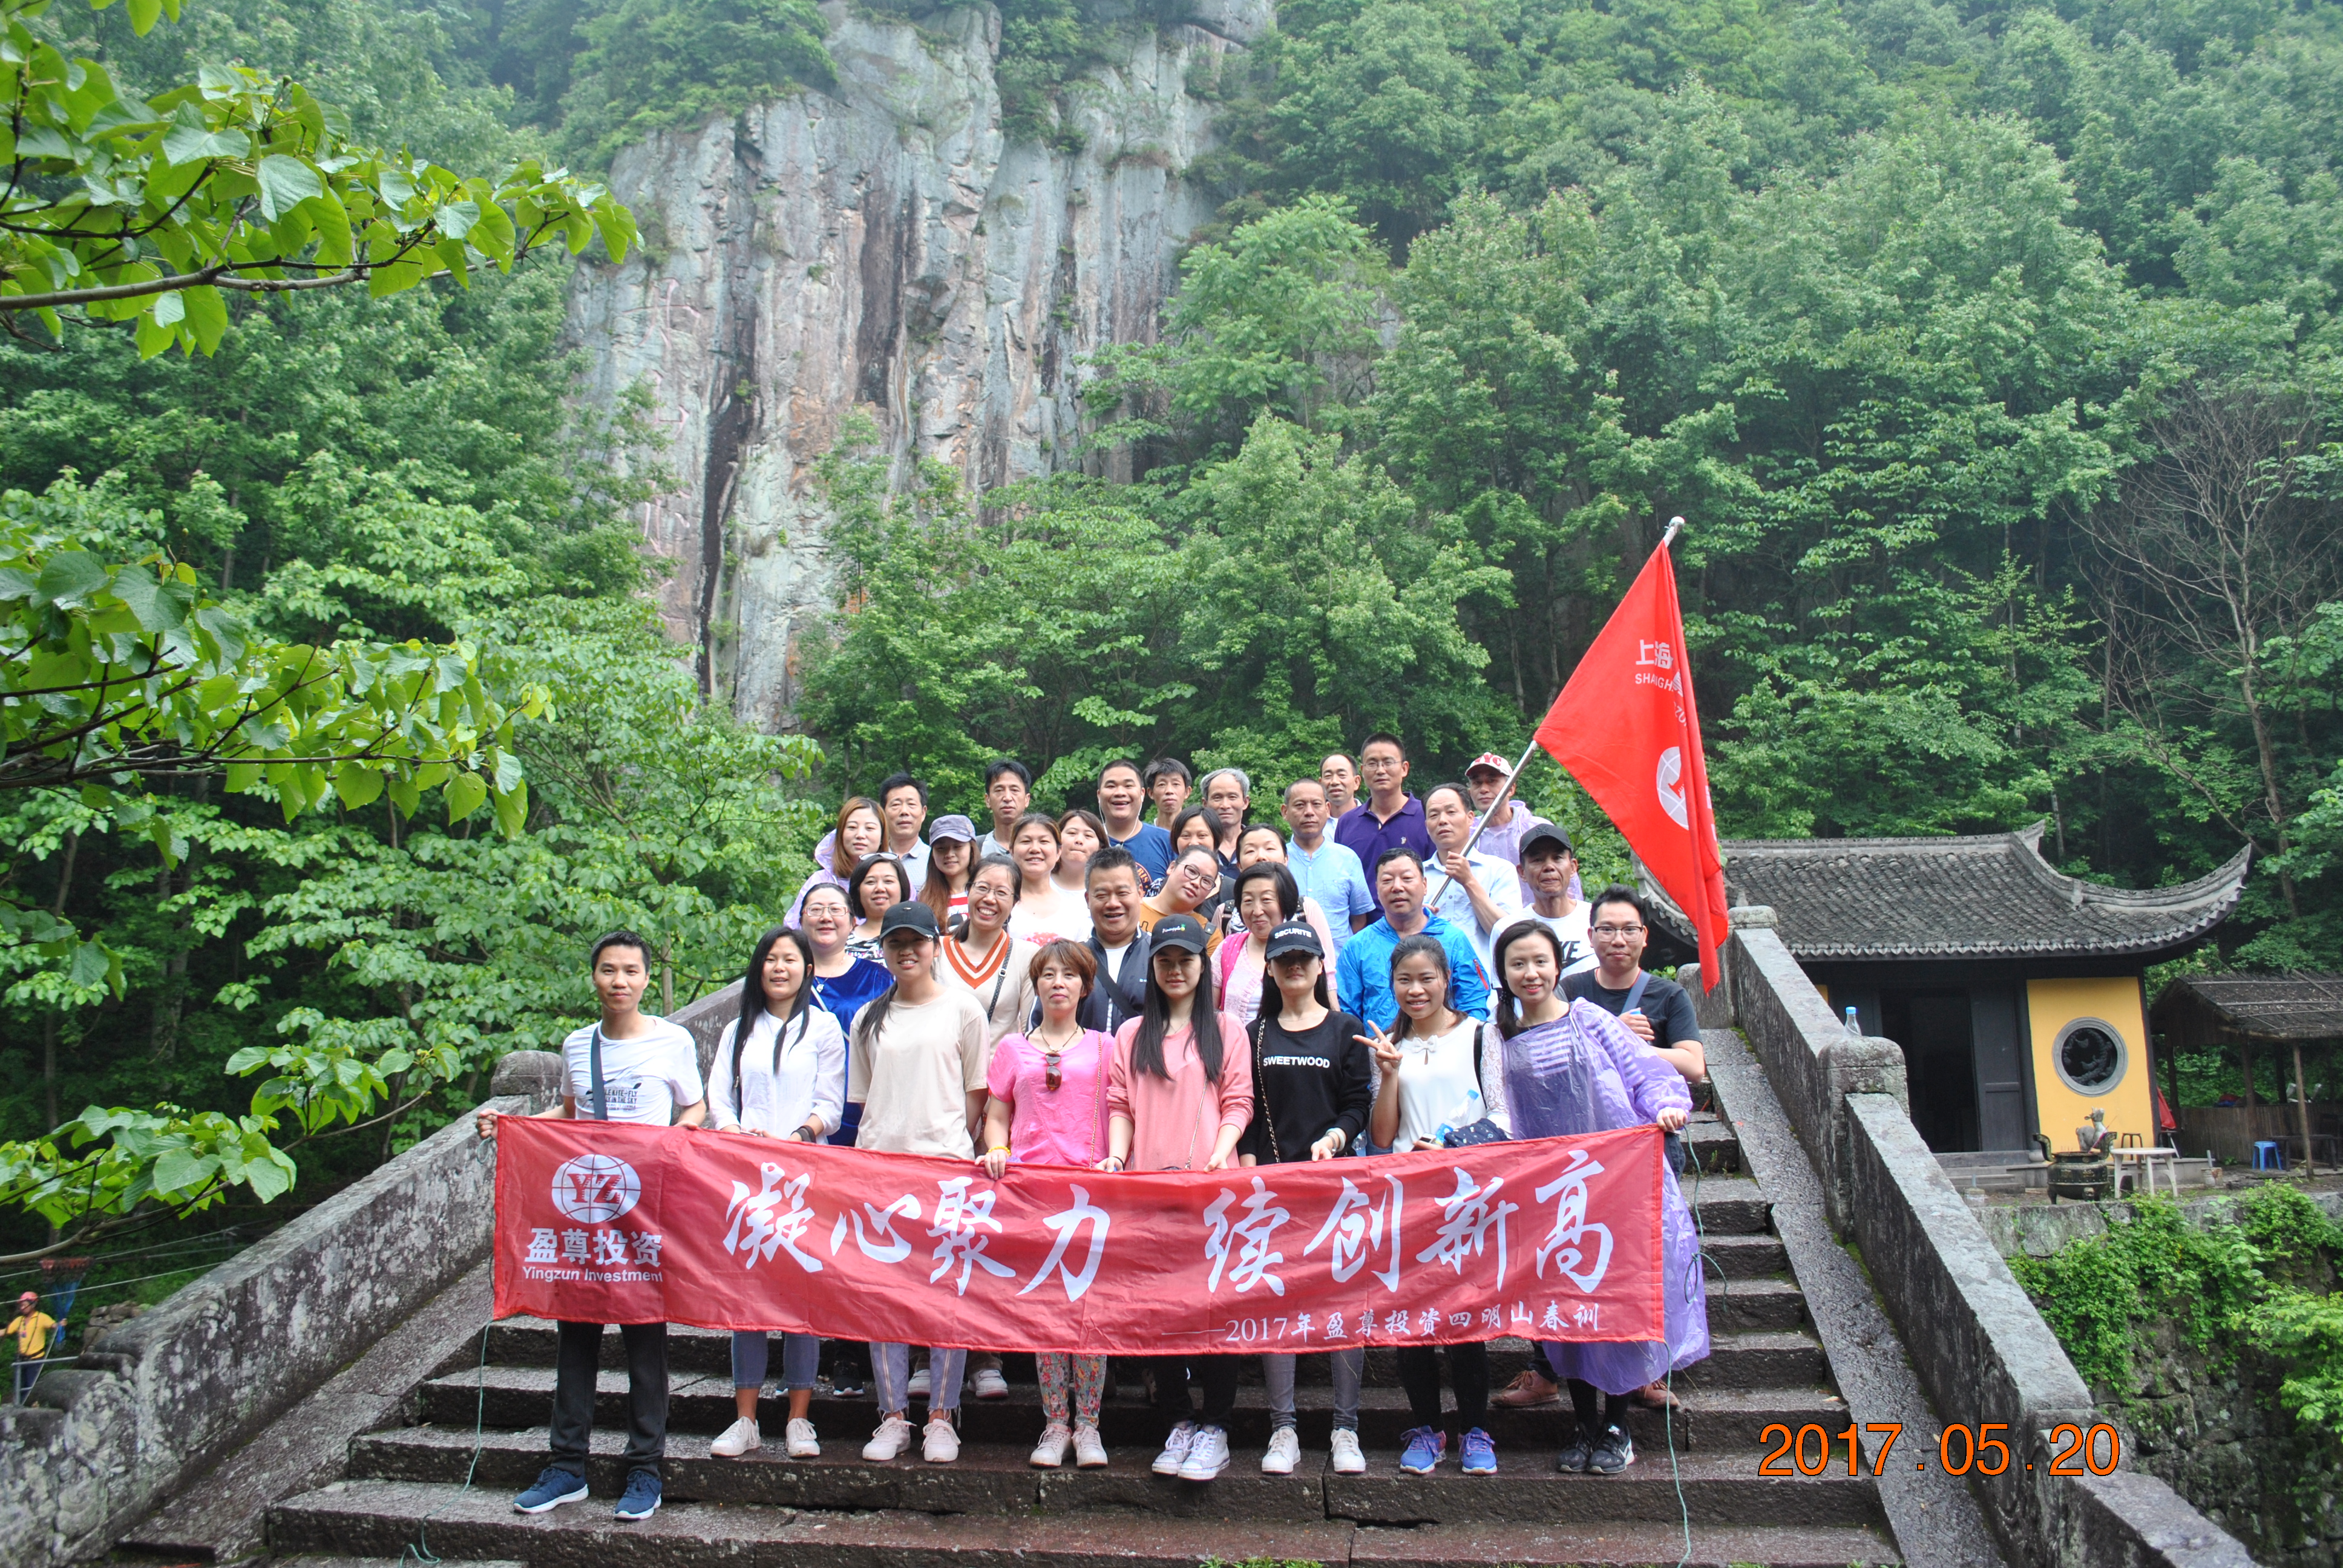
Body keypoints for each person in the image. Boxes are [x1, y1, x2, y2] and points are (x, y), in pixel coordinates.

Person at [478, 931, 706, 1523]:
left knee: (645, 1343)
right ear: (594, 977)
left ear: (647, 978)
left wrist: (673, 1140)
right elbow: (569, 1114)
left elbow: (695, 1107)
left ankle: (645, 1468)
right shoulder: (579, 1045)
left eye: (630, 970)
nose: (619, 981)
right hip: (585, 1211)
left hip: (645, 1210)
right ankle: (566, 1466)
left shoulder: (673, 1041)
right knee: (575, 1337)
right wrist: (514, 1127)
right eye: (608, 970)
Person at [1492, 919, 1703, 1475]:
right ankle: (1583, 1423)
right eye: (1518, 964)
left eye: (1540, 961)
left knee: (1616, 1303)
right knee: (1567, 1310)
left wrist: (1665, 1106)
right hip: (1551, 1199)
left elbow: (1644, 1072)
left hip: (1613, 1190)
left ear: (1558, 966)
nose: (1530, 973)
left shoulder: (1591, 1019)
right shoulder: (1500, 1039)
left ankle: (1617, 1426)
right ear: (1503, 974)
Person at [1103, 913, 1253, 1482]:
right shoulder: (1131, 1034)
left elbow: (1238, 1101)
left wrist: (1221, 1152)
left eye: (1185, 960)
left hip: (1213, 1190)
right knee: (1160, 1311)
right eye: (1164, 961)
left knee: (1216, 1309)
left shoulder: (1228, 1029)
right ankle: (1177, 1421)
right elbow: (1120, 1104)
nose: (1174, 970)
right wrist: (1118, 1158)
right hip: (1149, 1190)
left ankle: (1216, 1426)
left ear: (1202, 966)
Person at [850, 901, 992, 1465]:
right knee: (884, 1297)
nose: (907, 952)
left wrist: (953, 1140)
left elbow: (976, 1091)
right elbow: (864, 1098)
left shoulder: (963, 1008)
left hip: (945, 1169)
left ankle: (941, 1415)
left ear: (936, 945)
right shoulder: (869, 1017)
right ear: (883, 950)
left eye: (917, 941)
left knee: (946, 1295)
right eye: (895, 943)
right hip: (881, 1169)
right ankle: (892, 1416)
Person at [1360, 935, 1507, 1476]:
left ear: (1447, 979)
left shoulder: (1480, 1035)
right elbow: (1382, 1136)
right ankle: (1426, 1427)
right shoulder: (1387, 1044)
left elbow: (1503, 1115)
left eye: (1427, 978)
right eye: (1405, 980)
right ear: (1392, 985)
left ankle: (1476, 1430)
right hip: (1408, 1198)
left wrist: (1454, 1145)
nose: (1416, 990)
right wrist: (1389, 1074)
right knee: (1411, 1322)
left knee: (1465, 1320)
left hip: (1467, 1196)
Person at [1237, 921, 1372, 1478]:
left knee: (1345, 1304)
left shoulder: (1345, 1030)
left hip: (1335, 1187)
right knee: (1278, 1304)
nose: (1295, 966)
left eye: (1304, 957)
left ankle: (1346, 1428)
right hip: (1272, 1192)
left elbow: (1358, 1102)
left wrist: (1337, 1137)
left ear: (1320, 966)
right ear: (1270, 969)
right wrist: (1248, 1165)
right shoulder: (1254, 1034)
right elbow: (1243, 1107)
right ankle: (1283, 1428)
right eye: (1284, 958)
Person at [706, 927, 845, 1462]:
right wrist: (737, 1133)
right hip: (747, 1177)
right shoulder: (738, 1029)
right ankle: (745, 1419)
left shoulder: (824, 1027)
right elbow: (720, 1097)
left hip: (806, 1176)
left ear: (808, 970)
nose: (779, 968)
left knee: (799, 1295)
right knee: (748, 1297)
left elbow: (830, 1102)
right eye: (771, 959)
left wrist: (798, 1137)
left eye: (790, 959)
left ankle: (798, 1418)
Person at [978, 940, 1116, 1471]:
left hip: (1091, 1196)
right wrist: (997, 1148)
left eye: (1070, 975)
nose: (1059, 983)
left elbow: (1121, 1110)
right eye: (1049, 975)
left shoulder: (1106, 1047)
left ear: (1086, 986)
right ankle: (1056, 1422)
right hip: (1033, 1194)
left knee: (1090, 1312)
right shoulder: (1013, 1048)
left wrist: (1116, 1159)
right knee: (1048, 1313)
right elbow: (997, 1114)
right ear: (1035, 985)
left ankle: (1090, 1426)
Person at [1565, 885, 1706, 1088]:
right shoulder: (1569, 990)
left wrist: (1629, 1044)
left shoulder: (1670, 995)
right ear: (1591, 936)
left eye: (1630, 930)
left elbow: (1695, 1067)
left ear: (1644, 936)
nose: (1618, 940)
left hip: (1649, 1106)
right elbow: (1553, 1057)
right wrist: (1613, 1031)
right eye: (1607, 930)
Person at [1336, 849, 1491, 1031]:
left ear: (1425, 885)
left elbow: (1473, 1003)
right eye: (1387, 880)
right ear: (1377, 888)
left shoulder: (1453, 939)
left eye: (1407, 878)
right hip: (1378, 1047)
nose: (1397, 887)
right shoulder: (1357, 946)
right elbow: (1348, 1015)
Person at [1421, 782, 1529, 969]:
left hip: (1484, 981)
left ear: (1470, 818)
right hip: (1428, 978)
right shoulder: (1416, 876)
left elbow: (1510, 936)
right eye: (1434, 815)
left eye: (1451, 812)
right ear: (1426, 826)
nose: (1442, 821)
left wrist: (1469, 881)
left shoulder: (1500, 870)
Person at [1216, 858, 1332, 1028]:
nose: (1257, 911)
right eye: (1248, 901)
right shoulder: (1228, 948)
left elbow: (1330, 1011)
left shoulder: (1309, 947)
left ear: (1286, 901)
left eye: (1266, 900)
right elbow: (1209, 1014)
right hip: (1235, 1045)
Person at [1334, 734, 1434, 915]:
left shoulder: (1426, 816)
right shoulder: (1347, 822)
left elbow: (1436, 873)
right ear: (1362, 771)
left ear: (1404, 768)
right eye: (1372, 764)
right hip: (1361, 926)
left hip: (1414, 924)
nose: (1380, 770)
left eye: (1388, 762)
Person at [942, 854, 1037, 1043]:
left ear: (1015, 902)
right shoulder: (937, 951)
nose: (990, 899)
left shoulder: (1026, 955)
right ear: (968, 890)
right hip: (942, 1061)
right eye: (982, 888)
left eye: (1002, 893)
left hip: (999, 1062)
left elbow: (1030, 1034)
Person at [1282, 777, 1375, 950]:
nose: (1309, 812)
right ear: (1285, 812)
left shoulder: (1347, 859)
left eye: (1316, 804)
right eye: (1300, 805)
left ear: (1327, 809)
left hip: (1339, 961)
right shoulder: (1278, 861)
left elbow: (1360, 918)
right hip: (1288, 958)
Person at [1075, 847, 1153, 1034]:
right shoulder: (1071, 959)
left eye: (1122, 893)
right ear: (1088, 899)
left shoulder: (1159, 956)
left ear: (1140, 893)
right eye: (1102, 895)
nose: (1113, 903)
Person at [1462, 751, 1555, 901]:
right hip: (1484, 914)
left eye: (1492, 781)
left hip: (1536, 914)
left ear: (1511, 789)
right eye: (1477, 783)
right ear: (1470, 792)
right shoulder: (1466, 835)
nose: (1484, 789)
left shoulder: (1538, 829)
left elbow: (1566, 881)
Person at [785, 796, 887, 925]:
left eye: (870, 828)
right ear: (840, 834)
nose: (860, 835)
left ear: (882, 837)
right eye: (852, 827)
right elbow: (795, 928)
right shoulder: (820, 881)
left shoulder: (893, 883)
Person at [1518, 825, 1597, 976]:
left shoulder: (1597, 920)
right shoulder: (1508, 928)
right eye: (1538, 860)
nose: (1549, 867)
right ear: (1522, 872)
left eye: (1557, 858)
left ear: (1573, 867)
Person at [1007, 812, 1094, 946]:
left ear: (1059, 852)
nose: (1035, 849)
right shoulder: (1002, 905)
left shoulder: (1075, 913)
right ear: (1012, 851)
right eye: (1026, 841)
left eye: (1044, 842)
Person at [1096, 759, 1174, 889]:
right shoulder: (1086, 842)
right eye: (1111, 786)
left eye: (1128, 786)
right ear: (1099, 795)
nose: (1120, 793)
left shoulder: (1168, 841)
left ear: (1142, 794)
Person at [1141, 845, 1228, 952]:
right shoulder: (1133, 910)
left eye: (1206, 881)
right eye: (1192, 871)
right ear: (1172, 867)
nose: (1196, 883)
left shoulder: (1209, 935)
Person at [845, 855, 914, 958]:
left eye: (888, 881)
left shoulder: (917, 937)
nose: (880, 888)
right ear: (858, 890)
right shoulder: (841, 941)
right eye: (871, 882)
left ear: (902, 887)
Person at [919, 814, 980, 925]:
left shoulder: (987, 894)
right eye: (941, 849)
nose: (949, 854)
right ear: (933, 854)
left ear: (972, 849)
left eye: (958, 847)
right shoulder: (922, 899)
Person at [878, 772, 933, 890]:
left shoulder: (935, 861)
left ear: (923, 813)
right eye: (896, 805)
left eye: (911, 804)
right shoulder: (872, 858)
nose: (904, 811)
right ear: (883, 813)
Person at [1197, 766, 1251, 874]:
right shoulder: (1197, 846)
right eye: (1217, 798)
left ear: (1245, 802)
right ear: (1205, 804)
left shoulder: (1258, 846)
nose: (1225, 805)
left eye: (1232, 797)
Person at [8, 1290, 56, 1405]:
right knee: (18, 1387)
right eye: (21, 1305)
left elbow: (54, 1325)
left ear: (33, 1305)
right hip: (21, 1360)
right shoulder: (19, 1321)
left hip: (36, 1360)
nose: (22, 1308)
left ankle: (31, 1406)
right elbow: (6, 1332)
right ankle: (19, 1407)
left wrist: (60, 1324)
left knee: (31, 1387)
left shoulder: (42, 1318)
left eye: (25, 1305)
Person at [980, 759, 1033, 857]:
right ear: (988, 800)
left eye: (1014, 790)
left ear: (1027, 800)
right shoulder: (976, 849)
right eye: (999, 790)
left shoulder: (1040, 849)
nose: (1007, 798)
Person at [1054, 808, 1105, 899]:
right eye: (1072, 833)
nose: (1079, 840)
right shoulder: (1035, 881)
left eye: (1088, 835)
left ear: (1101, 847)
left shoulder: (1106, 889)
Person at [1144, 757, 1193, 831]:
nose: (1169, 791)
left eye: (1176, 784)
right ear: (1151, 793)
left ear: (1187, 792)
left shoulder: (1195, 835)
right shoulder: (1144, 835)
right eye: (1162, 785)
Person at [1320, 752, 1361, 819]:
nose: (1334, 782)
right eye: (1328, 776)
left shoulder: (1372, 819)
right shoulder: (1314, 821)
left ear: (1356, 782)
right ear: (1320, 784)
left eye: (1342, 775)